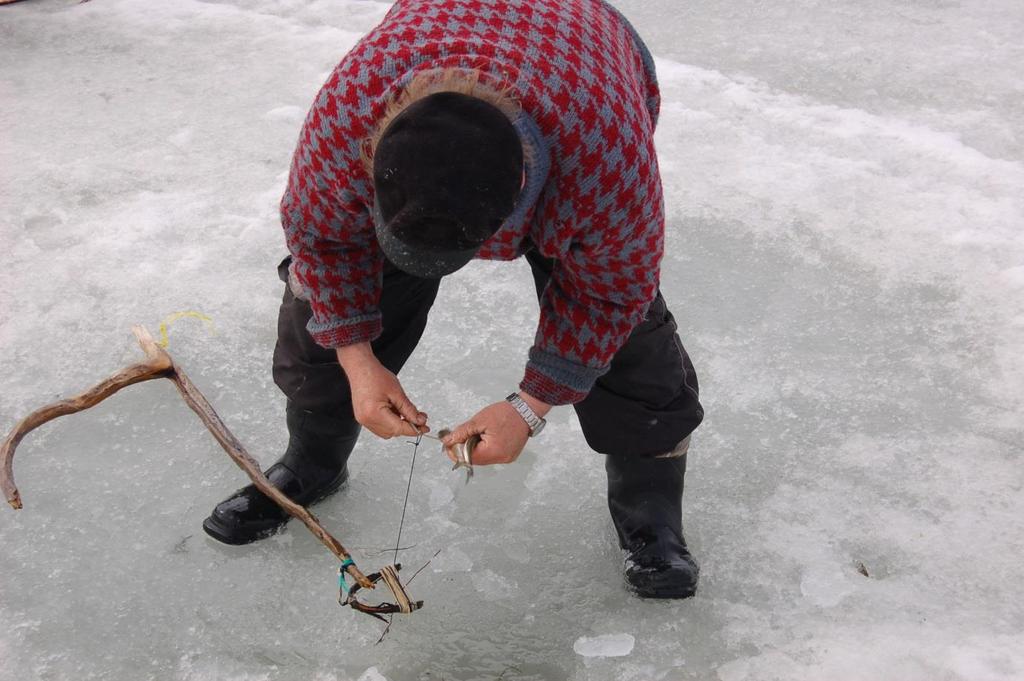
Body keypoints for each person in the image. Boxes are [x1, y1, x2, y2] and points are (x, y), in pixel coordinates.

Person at [203, 0, 705, 599]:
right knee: (320, 308)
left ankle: (650, 515)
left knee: (631, 339)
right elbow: (324, 243)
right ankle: (312, 462)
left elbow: (609, 295)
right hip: (441, 34)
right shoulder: (350, 114)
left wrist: (530, 406)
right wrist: (359, 364)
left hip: (586, 52)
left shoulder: (603, 162)